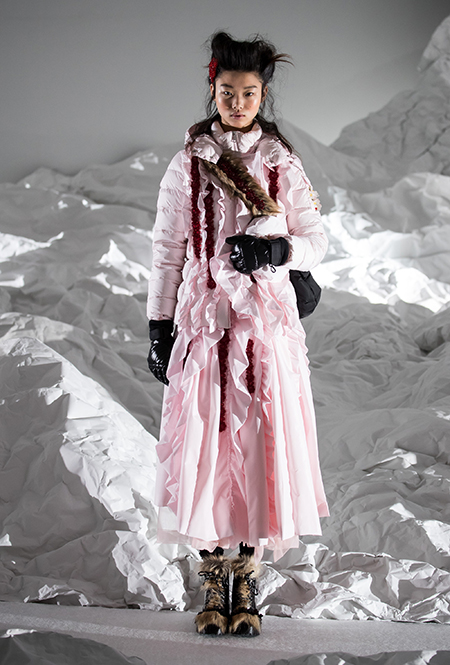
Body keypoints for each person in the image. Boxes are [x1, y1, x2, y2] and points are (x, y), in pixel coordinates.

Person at [147, 31, 329, 637]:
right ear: (214, 89)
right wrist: (158, 325)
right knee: (204, 447)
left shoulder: (280, 161)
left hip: (265, 325)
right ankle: (210, 586)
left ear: (262, 94)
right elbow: (167, 250)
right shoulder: (188, 163)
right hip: (204, 323)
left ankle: (246, 584)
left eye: (249, 93)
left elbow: (316, 239)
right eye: (228, 92)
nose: (238, 103)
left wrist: (277, 250)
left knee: (258, 445)